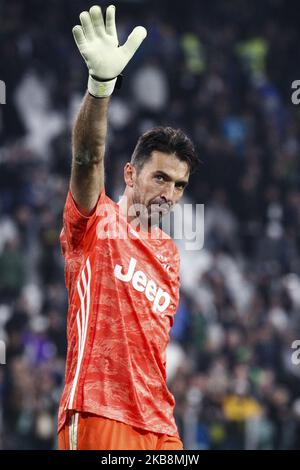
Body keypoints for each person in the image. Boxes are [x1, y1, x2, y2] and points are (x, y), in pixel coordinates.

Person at [57, 4, 199, 450]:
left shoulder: (171, 257)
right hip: (99, 412)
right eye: (161, 178)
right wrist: (101, 88)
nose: (170, 194)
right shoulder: (95, 220)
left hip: (162, 426)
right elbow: (86, 157)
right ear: (130, 175)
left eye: (179, 185)